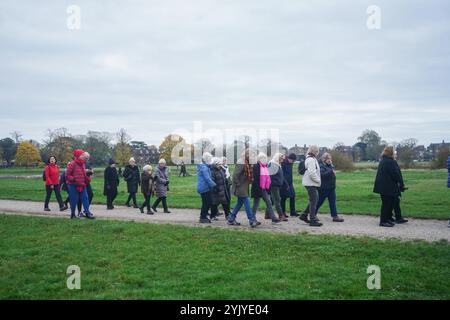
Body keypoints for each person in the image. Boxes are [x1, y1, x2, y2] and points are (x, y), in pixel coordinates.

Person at [227, 150, 261, 228]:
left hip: (244, 187)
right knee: (247, 202)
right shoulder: (241, 162)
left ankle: (231, 218)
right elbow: (235, 175)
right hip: (240, 187)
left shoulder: (247, 162)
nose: (254, 157)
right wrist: (238, 184)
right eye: (253, 155)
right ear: (248, 155)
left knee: (239, 203)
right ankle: (252, 220)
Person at [373, 146, 404, 227]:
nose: (394, 153)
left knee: (388, 204)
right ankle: (383, 221)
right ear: (391, 153)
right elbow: (395, 174)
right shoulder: (390, 161)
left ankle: (387, 219)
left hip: (384, 186)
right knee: (386, 204)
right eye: (394, 152)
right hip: (387, 187)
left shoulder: (384, 160)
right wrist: (399, 182)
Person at [251, 152, 281, 224]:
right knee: (256, 204)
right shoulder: (256, 166)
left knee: (269, 202)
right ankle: (252, 217)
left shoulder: (265, 166)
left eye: (265, 158)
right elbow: (256, 179)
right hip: (258, 188)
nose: (265, 160)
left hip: (264, 188)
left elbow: (267, 178)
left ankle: (273, 218)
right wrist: (259, 188)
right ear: (259, 159)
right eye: (263, 158)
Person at [314, 153, 344, 222]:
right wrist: (331, 171)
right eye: (328, 159)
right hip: (323, 189)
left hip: (331, 188)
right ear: (324, 159)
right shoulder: (321, 166)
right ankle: (313, 214)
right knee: (319, 202)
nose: (329, 160)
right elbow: (322, 175)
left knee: (332, 202)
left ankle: (335, 216)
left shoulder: (331, 166)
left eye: (330, 159)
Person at [66, 149, 94, 219]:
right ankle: (73, 214)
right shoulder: (72, 164)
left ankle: (87, 213)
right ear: (78, 156)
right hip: (73, 185)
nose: (83, 156)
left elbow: (84, 174)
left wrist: (87, 179)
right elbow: (67, 175)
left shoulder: (83, 164)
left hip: (82, 184)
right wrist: (74, 179)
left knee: (85, 198)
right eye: (82, 155)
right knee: (74, 200)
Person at [299, 145, 322, 227]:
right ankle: (312, 220)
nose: (317, 154)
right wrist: (318, 180)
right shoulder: (311, 160)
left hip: (310, 183)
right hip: (310, 183)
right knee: (314, 201)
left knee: (315, 199)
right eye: (317, 152)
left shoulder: (311, 159)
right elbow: (312, 173)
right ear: (315, 152)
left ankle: (304, 215)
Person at [268, 153, 289, 221]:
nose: (282, 160)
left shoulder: (277, 164)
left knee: (272, 199)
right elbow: (270, 175)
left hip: (277, 184)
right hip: (274, 185)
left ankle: (267, 214)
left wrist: (285, 183)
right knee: (277, 200)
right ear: (278, 158)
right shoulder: (273, 164)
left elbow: (281, 175)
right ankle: (281, 215)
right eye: (281, 159)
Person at [197, 153, 216, 223]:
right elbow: (207, 179)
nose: (211, 160)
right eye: (210, 159)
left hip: (205, 187)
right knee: (206, 203)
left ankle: (203, 216)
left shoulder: (205, 166)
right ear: (207, 159)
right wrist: (214, 185)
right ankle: (202, 217)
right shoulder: (204, 168)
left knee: (208, 202)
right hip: (204, 188)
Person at [391, 152, 408, 224]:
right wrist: (401, 184)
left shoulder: (393, 162)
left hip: (394, 186)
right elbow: (397, 174)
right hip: (393, 186)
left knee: (395, 202)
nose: (396, 155)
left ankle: (395, 217)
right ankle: (398, 217)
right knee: (395, 201)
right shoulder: (393, 162)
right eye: (395, 154)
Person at [281, 153, 299, 217]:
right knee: (283, 198)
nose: (293, 162)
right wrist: (285, 183)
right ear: (289, 158)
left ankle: (293, 212)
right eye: (293, 160)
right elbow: (282, 174)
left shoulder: (291, 163)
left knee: (292, 196)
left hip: (290, 183)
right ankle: (282, 212)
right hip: (284, 183)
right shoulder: (283, 163)